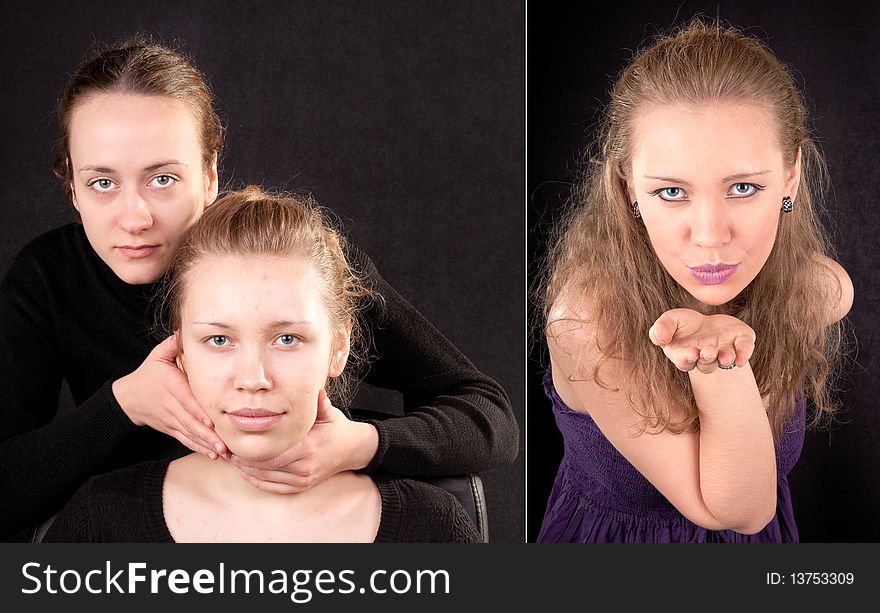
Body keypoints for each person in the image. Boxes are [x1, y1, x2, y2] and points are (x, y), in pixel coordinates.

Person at [0, 38, 516, 539]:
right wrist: (123, 406)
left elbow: (488, 415)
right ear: (72, 188)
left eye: (163, 179)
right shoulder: (48, 277)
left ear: (209, 175)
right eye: (103, 183)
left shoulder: (291, 268)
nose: (134, 218)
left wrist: (358, 444)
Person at [535, 18, 853, 543]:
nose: (709, 236)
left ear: (790, 180)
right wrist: (717, 361)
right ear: (630, 190)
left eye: (744, 187)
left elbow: (834, 286)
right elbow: (744, 510)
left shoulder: (786, 284)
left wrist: (777, 312)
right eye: (670, 192)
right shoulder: (587, 322)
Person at [43, 187, 480, 543]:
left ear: (338, 348)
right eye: (218, 340)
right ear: (179, 353)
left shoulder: (433, 528)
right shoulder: (102, 519)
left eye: (287, 339)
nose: (253, 379)